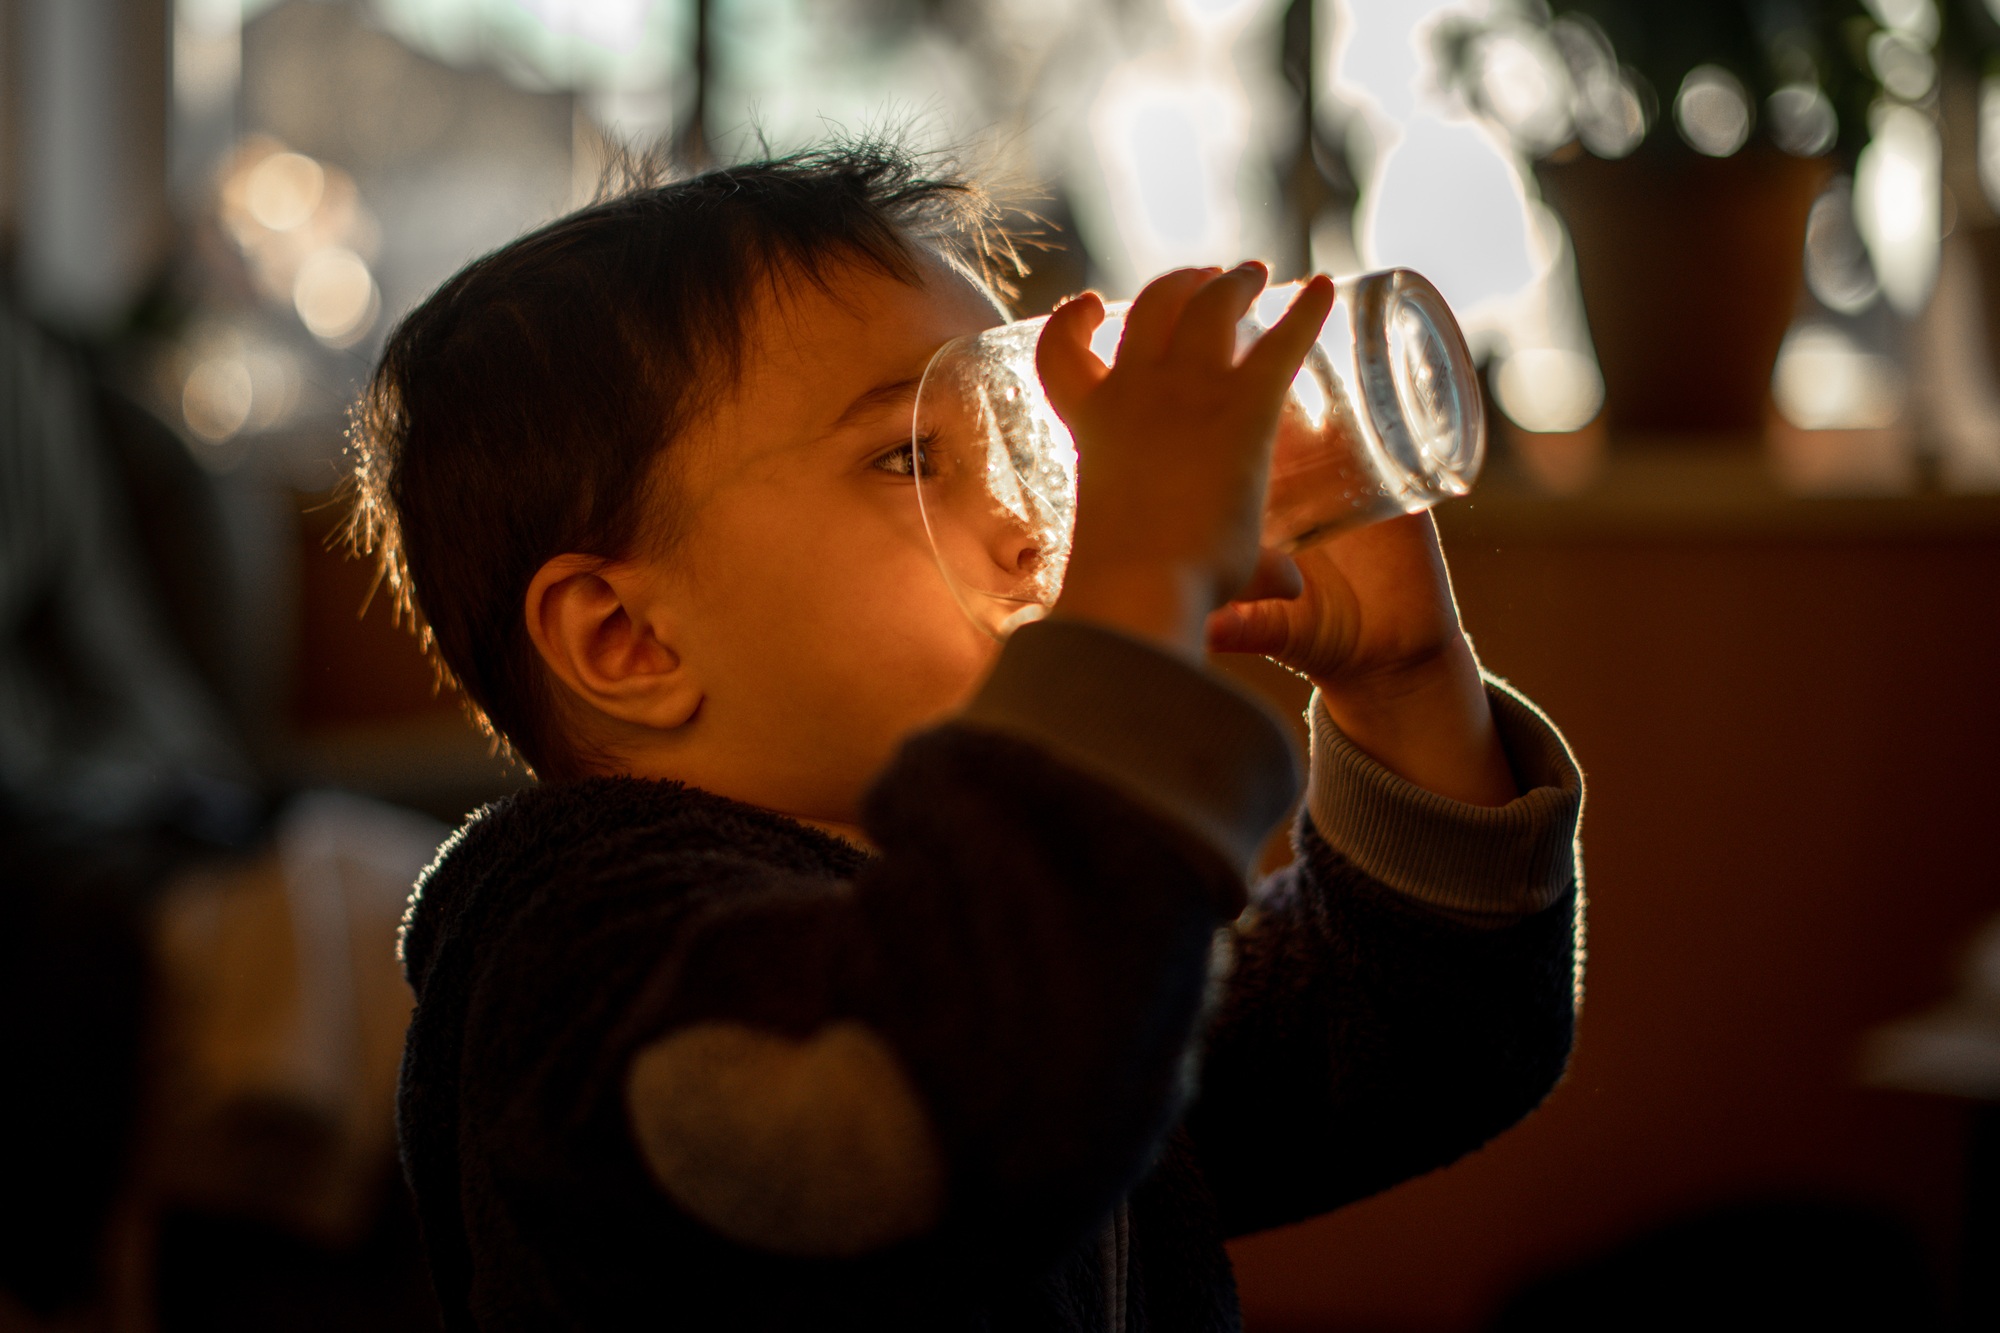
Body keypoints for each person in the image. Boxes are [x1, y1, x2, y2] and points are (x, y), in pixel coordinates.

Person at [356, 140, 1585, 1332]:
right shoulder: (577, 961)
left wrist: (1406, 687)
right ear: (628, 637)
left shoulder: (1007, 941)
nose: (1027, 523)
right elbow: (933, 1093)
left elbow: (1409, 1050)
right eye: (907, 455)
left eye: (1003, 442)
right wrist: (1140, 564)